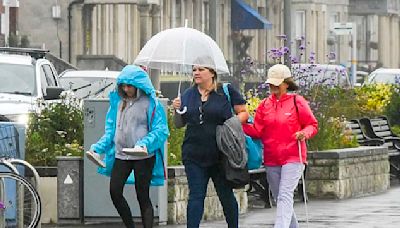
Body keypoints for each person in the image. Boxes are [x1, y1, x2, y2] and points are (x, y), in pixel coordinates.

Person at [86, 65, 169, 228]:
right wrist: (97, 148)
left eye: (129, 85)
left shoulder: (150, 103)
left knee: (142, 195)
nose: (126, 88)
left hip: (143, 156)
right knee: (115, 192)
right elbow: (111, 131)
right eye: (123, 85)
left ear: (138, 85)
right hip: (122, 155)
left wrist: (144, 144)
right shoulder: (118, 102)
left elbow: (161, 130)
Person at [172, 62, 249, 228]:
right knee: (196, 196)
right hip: (193, 154)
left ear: (212, 72)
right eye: (194, 70)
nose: (196, 73)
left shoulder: (225, 91)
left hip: (221, 153)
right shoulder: (188, 94)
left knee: (225, 195)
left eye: (201, 69)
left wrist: (230, 124)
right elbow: (179, 124)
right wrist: (176, 110)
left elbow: (243, 112)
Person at [243, 64, 318, 228]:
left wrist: (304, 133)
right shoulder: (264, 105)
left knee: (285, 194)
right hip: (271, 158)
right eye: (271, 84)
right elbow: (257, 131)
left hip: (293, 156)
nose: (273, 87)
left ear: (286, 83)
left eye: (277, 84)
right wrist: (241, 123)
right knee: (280, 197)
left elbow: (312, 124)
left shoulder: (297, 101)